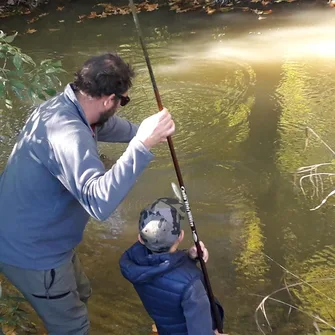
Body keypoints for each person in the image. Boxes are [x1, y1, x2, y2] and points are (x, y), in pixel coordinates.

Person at [0, 53, 175, 334]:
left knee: (82, 293)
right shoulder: (68, 134)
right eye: (123, 101)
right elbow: (99, 202)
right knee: (73, 325)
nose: (121, 107)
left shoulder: (68, 106)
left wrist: (143, 131)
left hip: (42, 237)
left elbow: (104, 125)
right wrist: (142, 145)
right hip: (31, 252)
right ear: (108, 100)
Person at [119, 197, 225, 335]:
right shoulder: (191, 285)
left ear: (140, 239)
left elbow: (162, 268)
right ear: (180, 236)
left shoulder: (132, 262)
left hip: (166, 326)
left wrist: (188, 256)